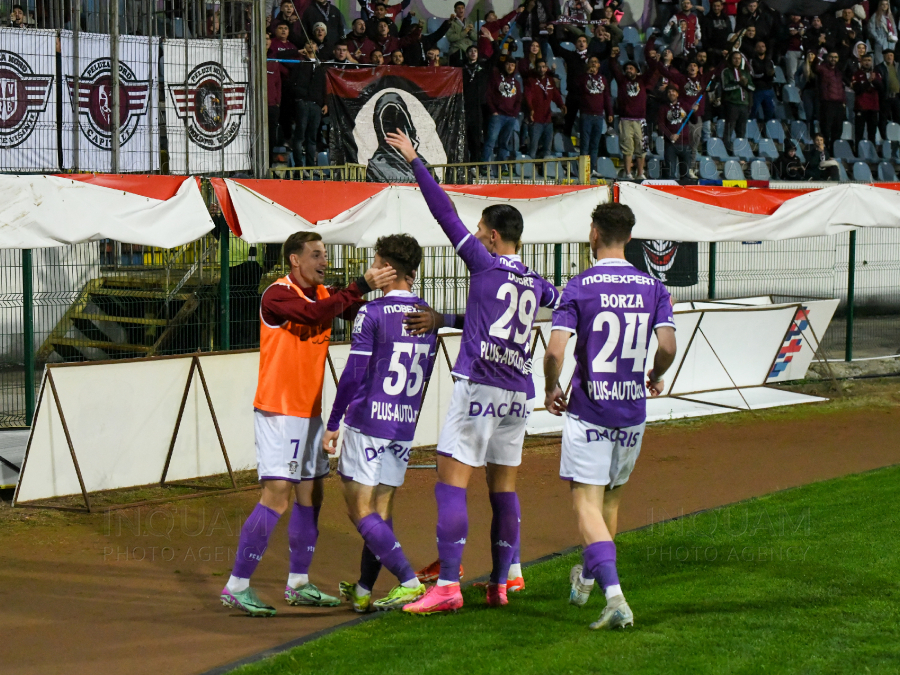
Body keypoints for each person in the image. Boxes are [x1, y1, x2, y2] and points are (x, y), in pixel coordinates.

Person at [385, 129, 561, 615]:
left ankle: (447, 585)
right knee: (504, 489)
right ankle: (503, 582)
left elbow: (443, 212)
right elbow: (562, 305)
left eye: (482, 228)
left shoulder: (484, 264)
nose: (477, 232)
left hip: (479, 384)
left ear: (494, 236)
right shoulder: (538, 282)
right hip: (517, 393)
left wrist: (416, 161)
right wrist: (447, 320)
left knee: (452, 482)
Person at [220, 232, 395, 617]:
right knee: (277, 494)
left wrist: (397, 296)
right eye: (316, 255)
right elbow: (316, 315)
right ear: (294, 260)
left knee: (311, 495)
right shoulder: (276, 295)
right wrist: (361, 283)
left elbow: (358, 311)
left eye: (325, 254)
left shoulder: (323, 295)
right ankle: (237, 584)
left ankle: (298, 582)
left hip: (310, 413)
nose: (323, 260)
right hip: (278, 412)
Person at [543, 201, 676, 631]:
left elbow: (555, 350)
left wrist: (551, 386)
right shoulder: (653, 287)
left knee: (586, 503)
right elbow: (668, 347)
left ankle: (615, 596)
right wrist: (654, 375)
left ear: (594, 234)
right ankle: (587, 574)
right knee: (611, 501)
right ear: (631, 238)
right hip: (631, 411)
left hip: (590, 412)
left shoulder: (578, 286)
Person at [324, 234, 434, 613]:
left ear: (388, 269)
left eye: (375, 263)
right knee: (381, 511)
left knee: (359, 509)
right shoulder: (427, 316)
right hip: (403, 424)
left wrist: (334, 421)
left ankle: (409, 580)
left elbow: (354, 375)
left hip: (369, 419)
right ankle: (362, 589)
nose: (370, 269)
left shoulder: (373, 314)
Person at [609, 45, 655, 180]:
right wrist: (614, 57)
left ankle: (640, 174)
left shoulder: (642, 80)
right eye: (627, 69)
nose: (629, 70)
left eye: (631, 68)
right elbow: (613, 67)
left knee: (641, 149)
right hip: (625, 120)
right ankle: (628, 174)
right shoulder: (622, 80)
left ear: (637, 71)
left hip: (641, 120)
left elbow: (653, 69)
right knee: (627, 147)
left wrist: (652, 58)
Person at [290, 40, 327, 167]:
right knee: (300, 136)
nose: (310, 45)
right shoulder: (300, 62)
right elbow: (292, 82)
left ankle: (311, 167)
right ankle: (299, 166)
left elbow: (324, 85)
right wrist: (299, 96)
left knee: (312, 138)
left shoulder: (321, 65)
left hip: (316, 104)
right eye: (307, 43)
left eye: (313, 43)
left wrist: (325, 103)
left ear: (317, 47)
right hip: (303, 103)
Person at [578, 56, 614, 178]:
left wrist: (609, 113)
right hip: (586, 115)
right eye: (591, 62)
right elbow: (578, 88)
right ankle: (583, 170)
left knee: (594, 145)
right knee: (585, 144)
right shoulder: (583, 77)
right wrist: (586, 74)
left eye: (595, 62)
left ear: (599, 65)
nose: (593, 64)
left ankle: (592, 169)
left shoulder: (603, 79)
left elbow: (606, 97)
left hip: (599, 116)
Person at [483, 58, 524, 165]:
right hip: (497, 116)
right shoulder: (495, 79)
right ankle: (484, 165)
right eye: (508, 64)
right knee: (490, 141)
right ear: (504, 65)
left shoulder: (517, 83)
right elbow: (488, 95)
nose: (510, 67)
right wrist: (493, 111)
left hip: (511, 117)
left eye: (512, 65)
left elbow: (519, 99)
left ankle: (501, 166)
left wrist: (515, 114)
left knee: (504, 143)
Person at [525, 59, 566, 160]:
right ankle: (530, 172)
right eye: (539, 67)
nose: (541, 69)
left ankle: (546, 172)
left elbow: (555, 94)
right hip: (535, 121)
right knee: (533, 148)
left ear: (546, 68)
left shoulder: (550, 80)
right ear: (536, 68)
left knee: (547, 149)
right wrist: (530, 109)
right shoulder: (531, 80)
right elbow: (528, 96)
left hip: (548, 120)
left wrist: (561, 105)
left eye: (543, 67)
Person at [658, 83, 695, 179]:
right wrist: (670, 135)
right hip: (670, 145)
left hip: (685, 144)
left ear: (677, 94)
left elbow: (694, 120)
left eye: (673, 91)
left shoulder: (685, 105)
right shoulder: (663, 108)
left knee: (685, 176)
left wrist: (694, 111)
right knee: (670, 174)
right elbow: (661, 125)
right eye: (669, 92)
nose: (671, 93)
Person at [721, 49, 753, 155]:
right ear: (731, 59)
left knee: (742, 130)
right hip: (732, 104)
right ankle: (726, 150)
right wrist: (739, 83)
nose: (737, 60)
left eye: (739, 58)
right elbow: (725, 87)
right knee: (729, 128)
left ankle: (740, 152)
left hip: (744, 104)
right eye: (735, 58)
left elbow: (752, 87)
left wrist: (746, 84)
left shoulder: (745, 72)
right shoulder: (726, 71)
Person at [463, 45, 489, 162]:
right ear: (467, 54)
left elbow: (496, 56)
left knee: (476, 138)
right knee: (464, 137)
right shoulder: (462, 68)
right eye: (471, 51)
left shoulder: (483, 66)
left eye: (475, 51)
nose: (473, 53)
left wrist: (492, 40)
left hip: (479, 107)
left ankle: (475, 164)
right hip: (464, 106)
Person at [851, 51, 883, 147]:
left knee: (872, 133)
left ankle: (872, 153)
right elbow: (857, 89)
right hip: (861, 107)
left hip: (873, 107)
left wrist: (875, 81)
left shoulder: (876, 74)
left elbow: (881, 88)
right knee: (859, 132)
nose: (867, 62)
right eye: (865, 60)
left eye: (869, 60)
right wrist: (868, 82)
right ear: (861, 62)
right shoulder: (857, 74)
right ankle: (858, 152)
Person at [817, 51, 846, 153]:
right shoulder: (823, 69)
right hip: (828, 103)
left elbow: (841, 87)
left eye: (836, 57)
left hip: (839, 104)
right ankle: (825, 151)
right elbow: (814, 66)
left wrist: (843, 102)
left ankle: (834, 151)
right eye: (831, 57)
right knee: (826, 128)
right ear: (827, 58)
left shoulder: (839, 71)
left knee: (838, 130)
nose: (833, 59)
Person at [876, 49, 900, 152]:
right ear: (884, 57)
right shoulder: (879, 68)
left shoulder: (898, 67)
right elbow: (878, 83)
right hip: (885, 98)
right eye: (887, 55)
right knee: (883, 120)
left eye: (891, 55)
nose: (890, 57)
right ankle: (885, 140)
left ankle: (897, 141)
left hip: (897, 97)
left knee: (898, 120)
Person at [748, 40, 776, 121]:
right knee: (753, 111)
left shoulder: (770, 61)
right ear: (755, 49)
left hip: (768, 89)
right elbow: (752, 75)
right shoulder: (752, 61)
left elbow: (773, 76)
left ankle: (767, 130)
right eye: (759, 46)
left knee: (770, 112)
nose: (761, 48)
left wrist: (770, 75)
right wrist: (765, 75)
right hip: (757, 90)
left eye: (763, 46)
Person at [869, 0, 898, 65]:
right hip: (880, 43)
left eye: (886, 4)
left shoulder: (890, 16)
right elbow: (871, 29)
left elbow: (894, 29)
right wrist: (879, 39)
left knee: (890, 63)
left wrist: (895, 38)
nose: (885, 6)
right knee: (880, 63)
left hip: (891, 43)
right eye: (883, 4)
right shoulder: (875, 16)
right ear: (880, 5)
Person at [447, 1, 476, 65]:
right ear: (455, 10)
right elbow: (450, 37)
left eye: (462, 8)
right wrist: (464, 32)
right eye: (458, 8)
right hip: (457, 50)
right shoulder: (452, 22)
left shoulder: (469, 21)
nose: (461, 9)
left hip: (469, 51)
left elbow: (475, 37)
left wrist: (470, 32)